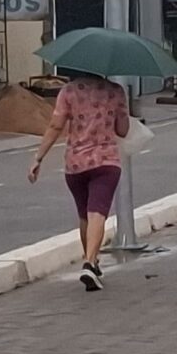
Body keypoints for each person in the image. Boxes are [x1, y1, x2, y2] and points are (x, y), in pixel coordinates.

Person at [28, 72, 129, 291]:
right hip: (106, 162)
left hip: (76, 164)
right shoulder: (116, 92)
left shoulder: (68, 92)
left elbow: (55, 126)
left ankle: (91, 262)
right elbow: (123, 130)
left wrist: (38, 158)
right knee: (98, 214)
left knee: (85, 216)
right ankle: (90, 263)